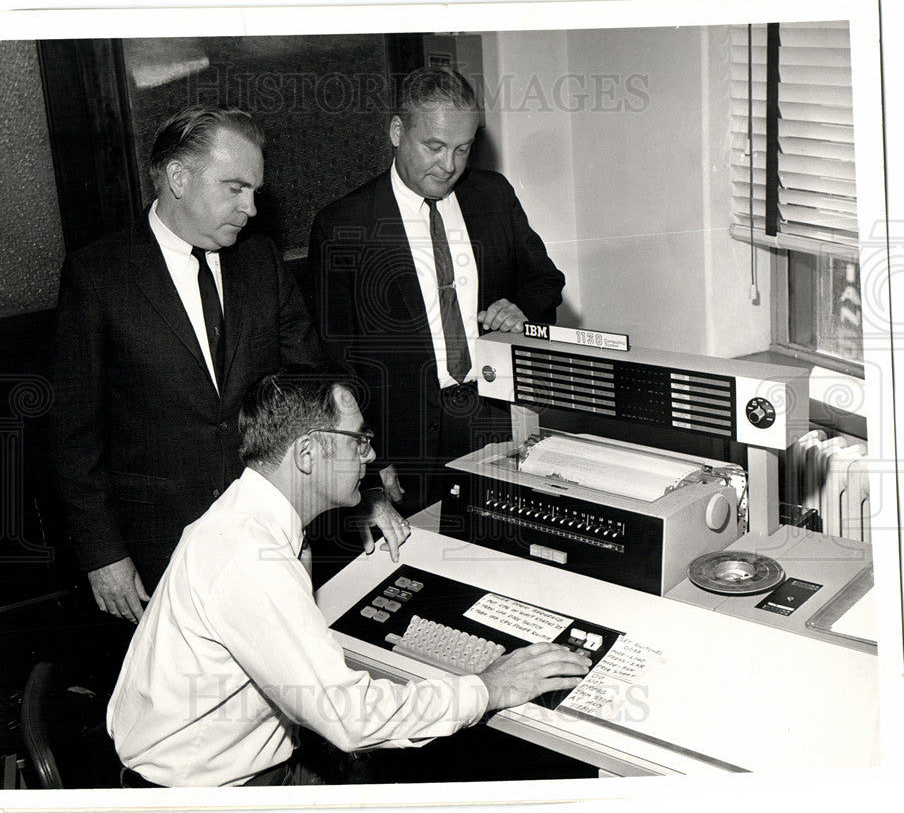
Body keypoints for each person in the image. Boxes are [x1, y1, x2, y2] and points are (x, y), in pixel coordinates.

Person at [107, 366, 591, 787]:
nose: (368, 455)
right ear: (307, 454)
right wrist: (490, 687)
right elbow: (350, 717)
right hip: (206, 795)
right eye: (358, 440)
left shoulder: (247, 517)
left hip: (225, 767)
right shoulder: (250, 557)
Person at [51, 106, 339, 624]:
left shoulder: (261, 261)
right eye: (235, 188)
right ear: (178, 178)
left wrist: (320, 507)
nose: (250, 207)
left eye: (255, 191)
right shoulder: (98, 276)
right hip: (155, 547)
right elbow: (74, 435)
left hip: (264, 536)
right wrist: (103, 555)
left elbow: (307, 387)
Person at [309, 66, 566, 517]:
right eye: (434, 146)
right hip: (400, 447)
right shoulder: (342, 226)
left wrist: (521, 307)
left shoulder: (493, 195)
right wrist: (370, 464)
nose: (449, 165)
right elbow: (337, 362)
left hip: (494, 420)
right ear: (396, 131)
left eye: (463, 149)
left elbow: (546, 280)